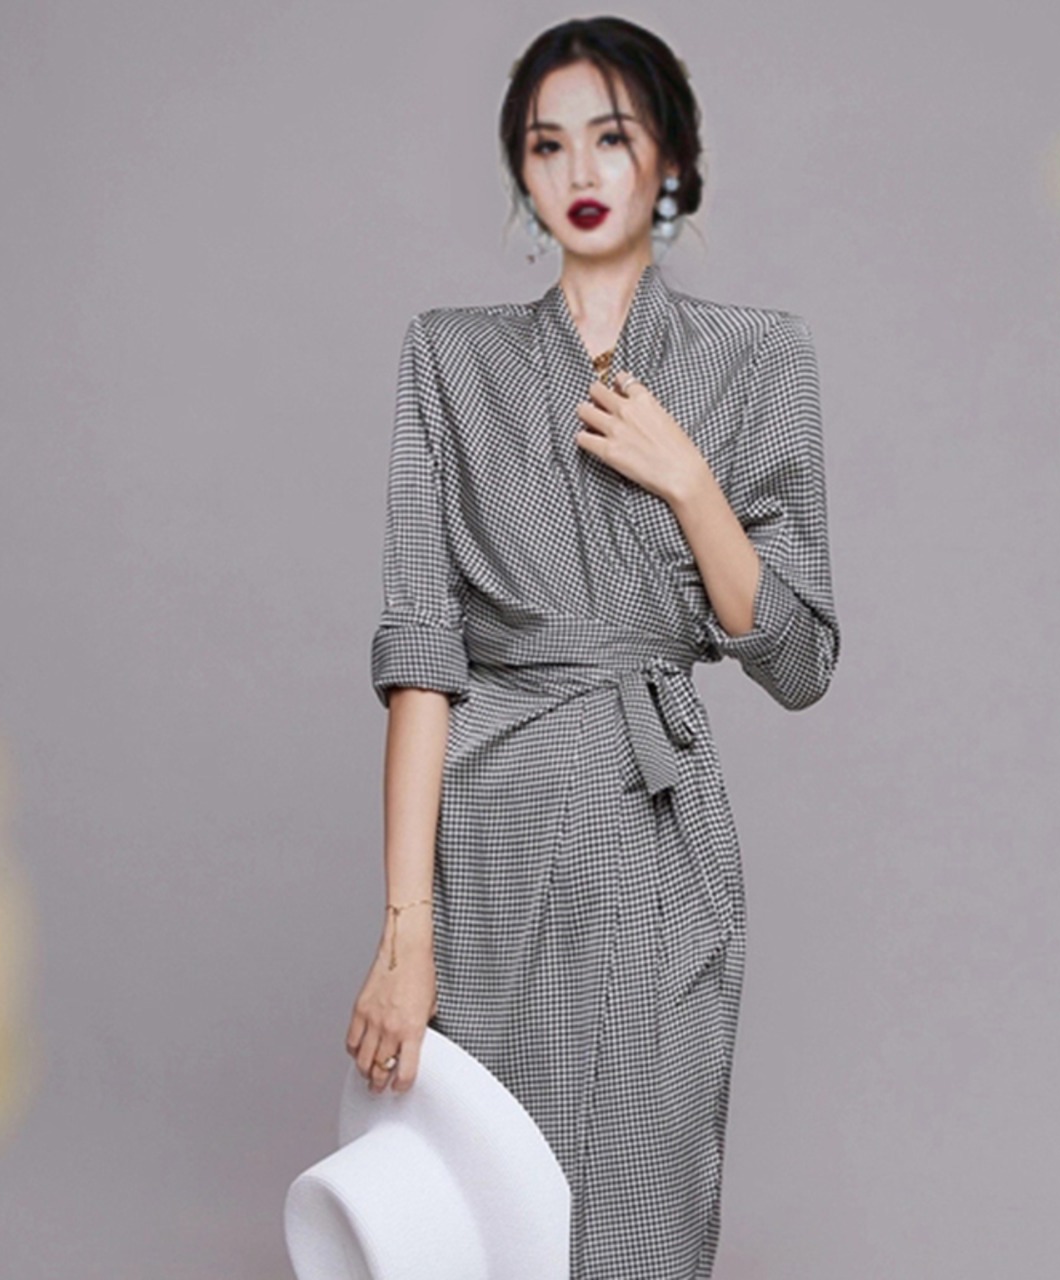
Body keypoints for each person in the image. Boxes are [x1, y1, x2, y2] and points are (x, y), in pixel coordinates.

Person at [345, 16, 840, 1279]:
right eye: (545, 142)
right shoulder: (449, 357)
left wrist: (690, 481)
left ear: (667, 157)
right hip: (488, 838)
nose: (577, 169)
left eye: (609, 137)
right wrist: (406, 931)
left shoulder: (757, 357)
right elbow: (422, 657)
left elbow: (799, 663)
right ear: (519, 170)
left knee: (641, 1218)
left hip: (655, 833)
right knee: (478, 1223)